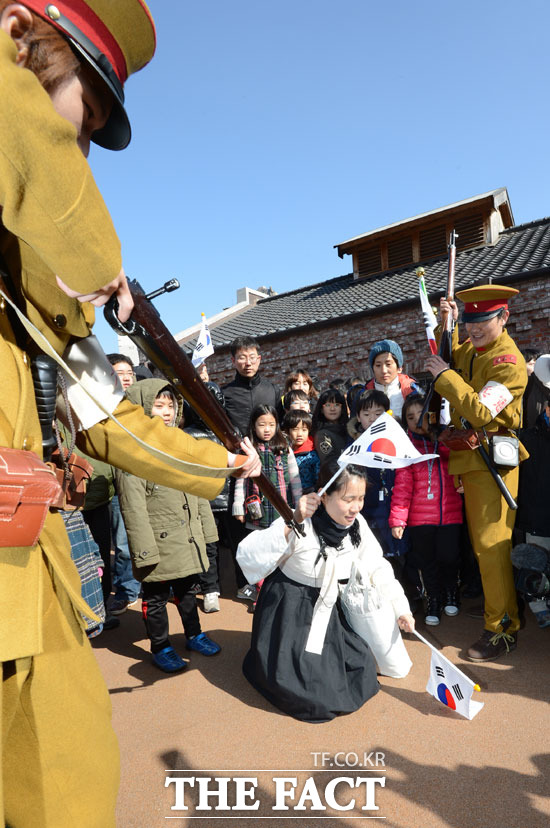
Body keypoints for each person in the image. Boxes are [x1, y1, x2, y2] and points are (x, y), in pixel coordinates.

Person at [0, 4, 260, 825]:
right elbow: (53, 190)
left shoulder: (33, 279)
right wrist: (97, 265)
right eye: (82, 116)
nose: (78, 151)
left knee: (68, 780)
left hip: (22, 566)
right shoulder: (42, 192)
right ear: (16, 36)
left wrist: (222, 465)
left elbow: (105, 414)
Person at [236, 465, 414, 722]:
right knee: (313, 696)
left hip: (334, 608)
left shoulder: (357, 525)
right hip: (293, 610)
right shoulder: (300, 520)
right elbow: (248, 554)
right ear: (325, 496)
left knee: (361, 672)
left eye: (361, 498)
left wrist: (401, 608)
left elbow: (377, 565)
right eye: (348, 499)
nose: (356, 507)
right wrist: (292, 521)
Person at [425, 284, 527, 661]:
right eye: (470, 320)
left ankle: (502, 628)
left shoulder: (508, 362)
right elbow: (453, 355)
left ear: (504, 317)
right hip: (470, 455)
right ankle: (496, 609)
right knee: (482, 546)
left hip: (491, 458)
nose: (475, 328)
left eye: (483, 320)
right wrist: (445, 324)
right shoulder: (474, 346)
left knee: (491, 546)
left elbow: (483, 411)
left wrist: (444, 377)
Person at [115, 380, 222, 671]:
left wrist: (206, 532)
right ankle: (160, 645)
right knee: (156, 598)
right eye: (158, 405)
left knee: (189, 590)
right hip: (157, 542)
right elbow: (133, 508)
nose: (165, 411)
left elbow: (197, 489)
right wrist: (144, 552)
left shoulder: (180, 443)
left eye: (170, 405)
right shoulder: (131, 452)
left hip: (185, 537)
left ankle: (194, 633)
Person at [389, 394, 464, 626]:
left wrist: (440, 439)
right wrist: (398, 519)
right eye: (410, 417)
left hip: (450, 513)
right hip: (420, 518)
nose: (415, 421)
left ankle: (451, 591)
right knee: (427, 561)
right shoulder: (405, 446)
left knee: (449, 557)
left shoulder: (446, 438)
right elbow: (402, 485)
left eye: (420, 415)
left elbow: (460, 461)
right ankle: (434, 598)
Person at [233, 405, 302, 604]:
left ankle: (278, 588)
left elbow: (294, 478)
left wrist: (297, 504)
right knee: (261, 549)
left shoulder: (283, 446)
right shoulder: (249, 449)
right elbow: (240, 479)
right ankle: (259, 591)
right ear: (253, 426)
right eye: (261, 424)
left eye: (271, 424)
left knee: (280, 546)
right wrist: (238, 507)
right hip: (258, 509)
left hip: (282, 507)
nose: (267, 429)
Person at [516, 391, 550, 626]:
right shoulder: (526, 437)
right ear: (546, 408)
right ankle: (539, 607)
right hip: (536, 515)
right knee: (534, 564)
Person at [222, 336, 279, 436]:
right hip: (238, 450)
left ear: (258, 359)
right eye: (242, 358)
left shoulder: (273, 390)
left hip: (268, 450)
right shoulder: (224, 393)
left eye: (252, 357)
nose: (248, 363)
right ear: (233, 361)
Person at [361, 340, 419, 419]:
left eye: (388, 364)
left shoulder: (413, 391)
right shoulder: (364, 394)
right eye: (378, 365)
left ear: (399, 368)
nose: (383, 370)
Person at [282, 409, 320, 493]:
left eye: (304, 430)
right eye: (295, 429)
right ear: (288, 431)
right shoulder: (283, 452)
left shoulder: (312, 455)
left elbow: (318, 480)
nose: (299, 434)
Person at [312, 387, 350, 469]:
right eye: (328, 405)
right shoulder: (322, 434)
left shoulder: (349, 429)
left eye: (337, 405)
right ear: (322, 409)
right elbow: (329, 461)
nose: (332, 409)